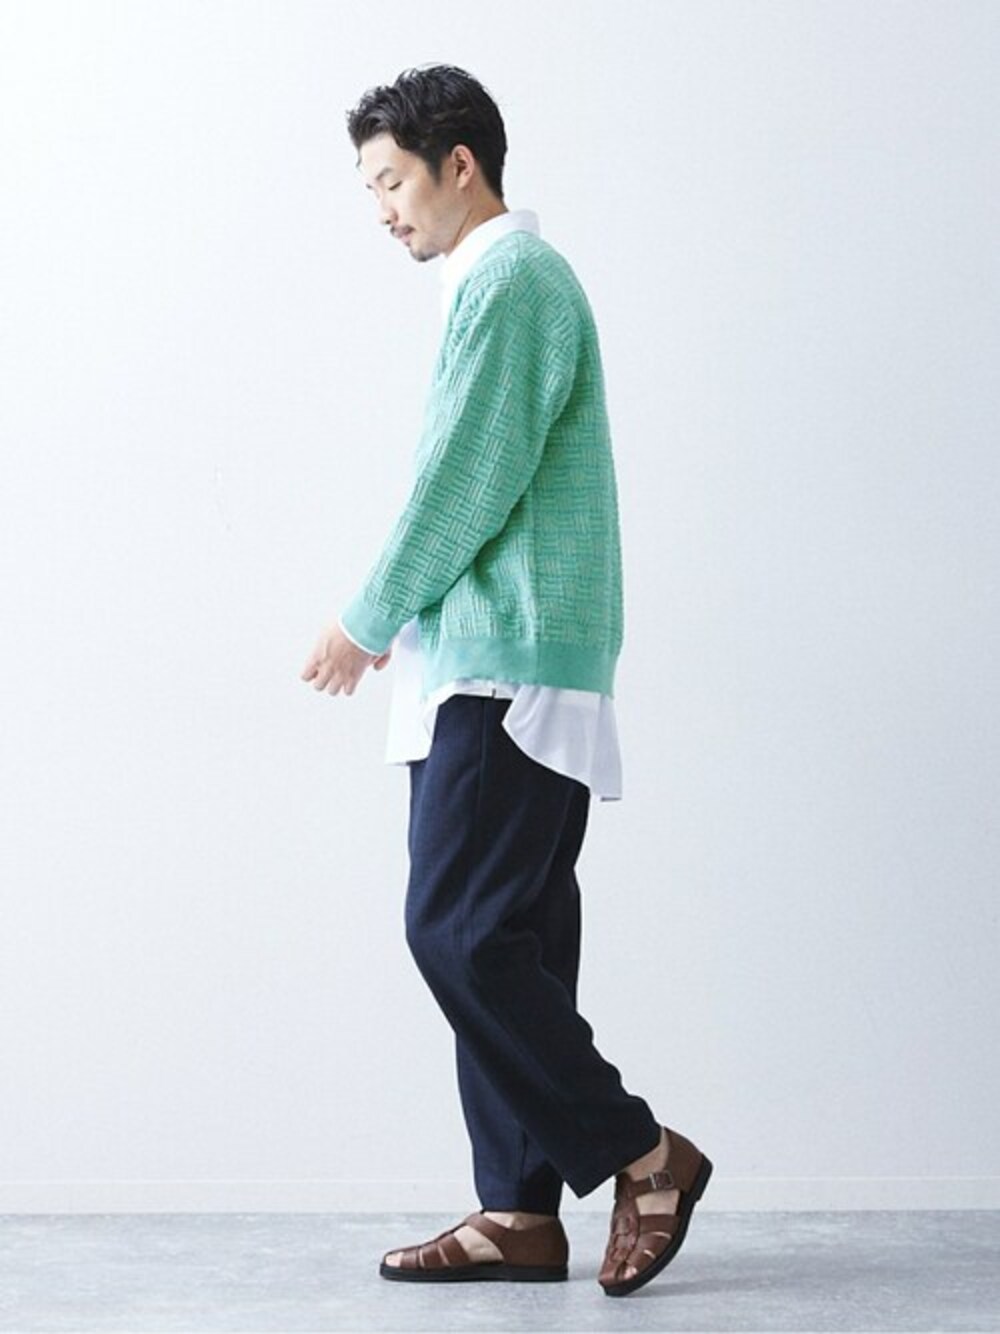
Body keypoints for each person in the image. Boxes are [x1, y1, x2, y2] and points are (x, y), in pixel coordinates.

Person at [300, 63, 712, 1297]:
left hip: (504, 665)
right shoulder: (495, 282)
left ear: (459, 164)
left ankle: (643, 1153)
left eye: (389, 181)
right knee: (511, 940)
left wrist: (365, 616)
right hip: (493, 659)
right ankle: (517, 1210)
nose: (381, 209)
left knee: (461, 934)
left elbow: (467, 477)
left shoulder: (512, 278)